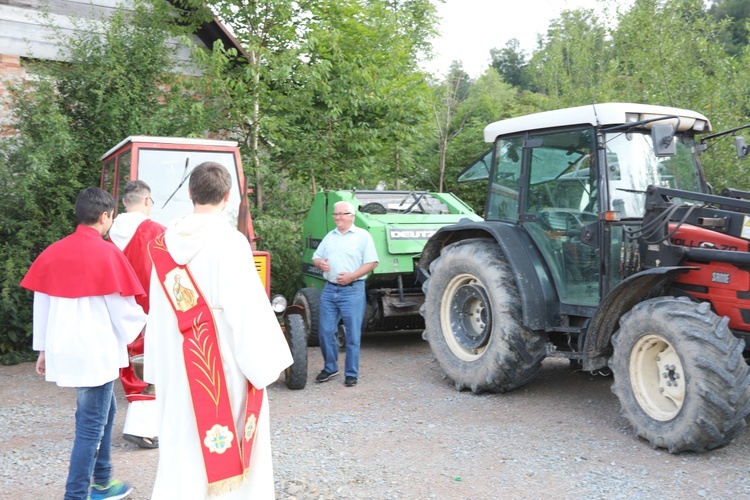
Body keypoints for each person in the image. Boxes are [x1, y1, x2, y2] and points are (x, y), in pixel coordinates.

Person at [144, 161, 293, 499]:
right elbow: (247, 310)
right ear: (228, 197)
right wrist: (264, 364)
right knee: (227, 440)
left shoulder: (162, 245)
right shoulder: (231, 242)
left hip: (177, 360)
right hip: (222, 363)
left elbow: (157, 310)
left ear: (189, 193)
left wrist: (156, 367)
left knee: (182, 440)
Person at [20, 187, 147, 500]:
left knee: (104, 409)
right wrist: (147, 326)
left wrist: (43, 350)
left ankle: (102, 480)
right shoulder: (106, 254)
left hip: (66, 348)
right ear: (104, 217)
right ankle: (77, 494)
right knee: (90, 425)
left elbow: (43, 305)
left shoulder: (53, 252)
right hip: (95, 352)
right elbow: (124, 311)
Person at [108, 180, 165, 449]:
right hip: (148, 306)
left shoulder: (109, 230)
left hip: (117, 306)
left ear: (122, 203)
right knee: (148, 367)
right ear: (146, 201)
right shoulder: (156, 230)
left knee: (125, 364)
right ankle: (141, 427)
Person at [312, 200, 379, 387]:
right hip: (329, 289)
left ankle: (351, 373)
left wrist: (351, 276)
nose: (338, 217)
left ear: (352, 216)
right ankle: (330, 367)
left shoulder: (362, 236)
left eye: (342, 214)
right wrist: (320, 264)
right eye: (335, 214)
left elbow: (372, 262)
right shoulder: (330, 236)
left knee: (352, 335)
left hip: (352, 290)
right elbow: (316, 257)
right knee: (325, 331)